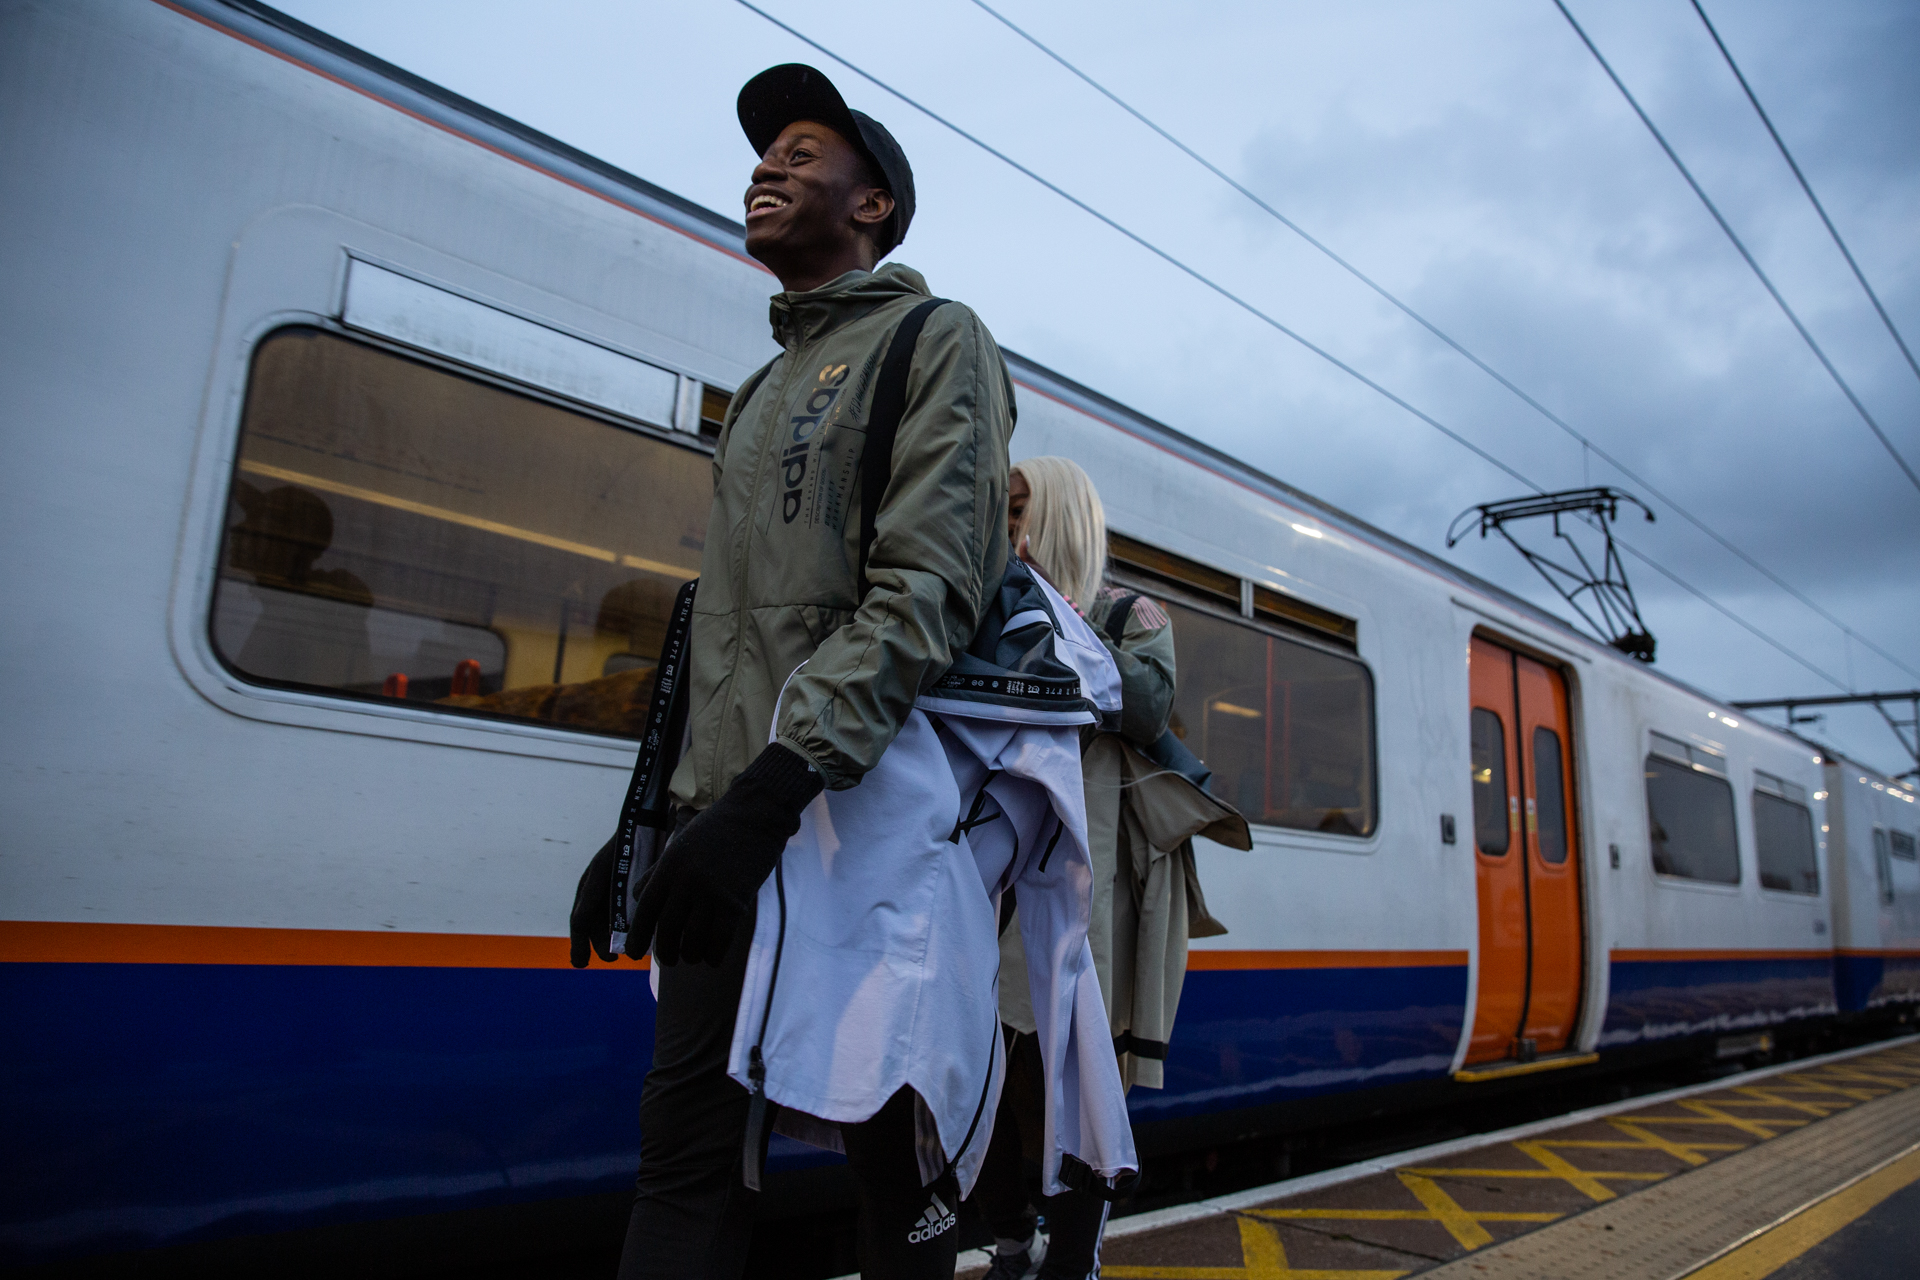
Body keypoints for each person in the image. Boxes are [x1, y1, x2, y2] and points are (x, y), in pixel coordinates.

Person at [571, 64, 1024, 1279]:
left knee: (892, 1166)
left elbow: (928, 587)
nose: (767, 166)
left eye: (803, 152)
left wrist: (778, 785)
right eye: (764, 153)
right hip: (729, 825)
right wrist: (651, 815)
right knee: (684, 1155)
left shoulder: (938, 340)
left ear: (873, 205)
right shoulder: (766, 386)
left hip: (853, 822)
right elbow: (721, 625)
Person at [971, 457, 1243, 1280]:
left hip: (1093, 877)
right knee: (981, 1070)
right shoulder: (988, 600)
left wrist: (1043, 609)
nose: (1006, 524)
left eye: (1020, 508)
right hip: (997, 870)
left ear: (1057, 515)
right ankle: (1011, 1239)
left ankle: (1072, 1259)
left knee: (1080, 1075)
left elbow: (1146, 705)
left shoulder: (1130, 612)